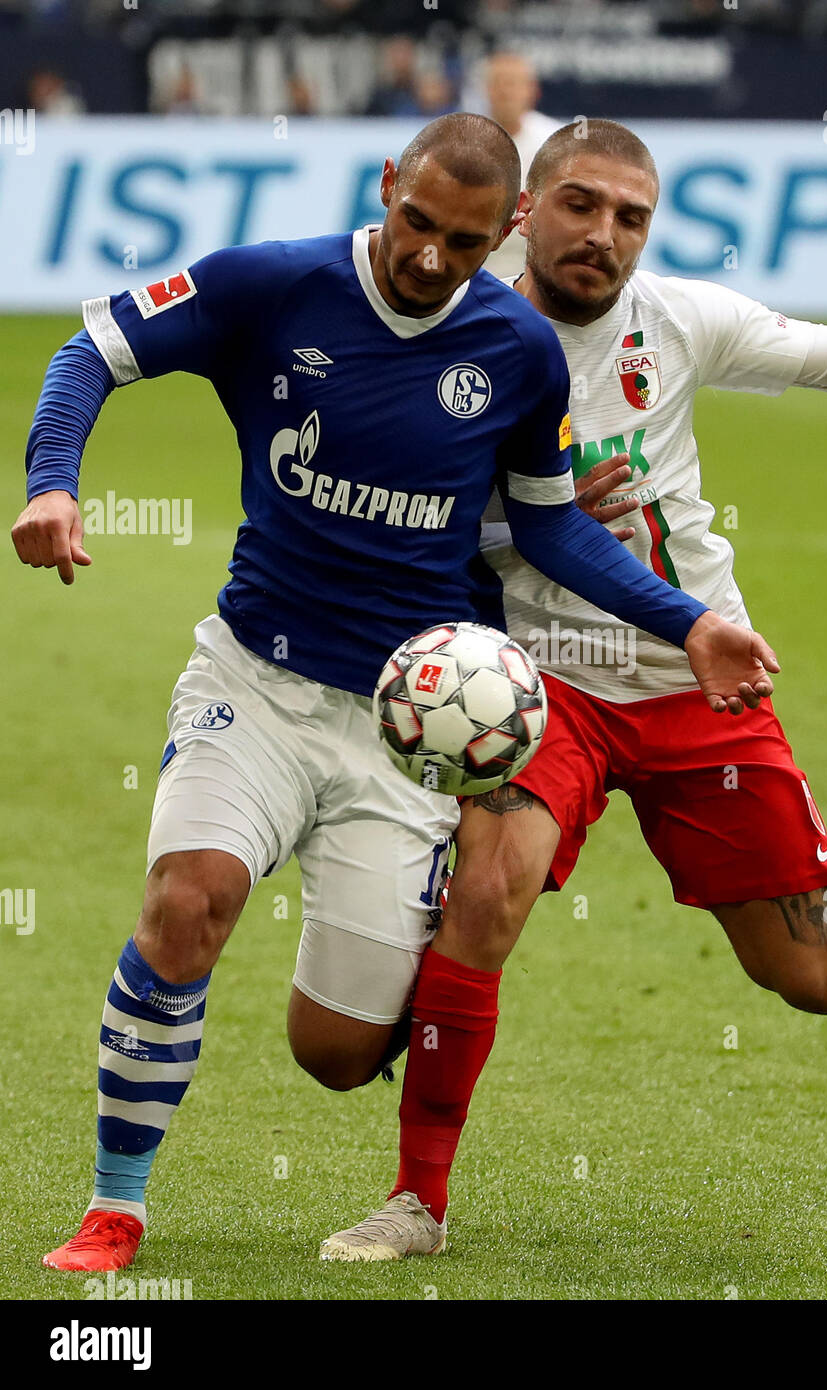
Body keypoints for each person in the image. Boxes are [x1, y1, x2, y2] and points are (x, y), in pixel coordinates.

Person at [329, 118, 827, 1261]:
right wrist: (530, 517)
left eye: (629, 217)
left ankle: (735, 883)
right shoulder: (453, 338)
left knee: (814, 979)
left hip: (695, 680)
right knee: (489, 895)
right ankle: (416, 1200)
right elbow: (393, 517)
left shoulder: (675, 319)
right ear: (525, 209)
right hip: (537, 686)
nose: (602, 234)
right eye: (578, 204)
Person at [12, 113, 775, 1274]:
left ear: (502, 233)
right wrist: (54, 486)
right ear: (386, 185)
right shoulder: (270, 285)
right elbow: (91, 353)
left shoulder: (516, 351)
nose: (429, 257)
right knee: (187, 903)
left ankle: (385, 965)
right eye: (414, 222)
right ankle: (116, 1207)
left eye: (463, 243)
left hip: (405, 721)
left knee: (333, 1048)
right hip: (255, 679)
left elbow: (551, 526)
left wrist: (689, 623)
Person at [480, 53, 560, 281]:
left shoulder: (555, 142)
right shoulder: (463, 140)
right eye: (498, 83)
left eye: (513, 83)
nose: (505, 92)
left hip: (537, 274)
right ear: (485, 89)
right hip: (478, 270)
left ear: (532, 90)